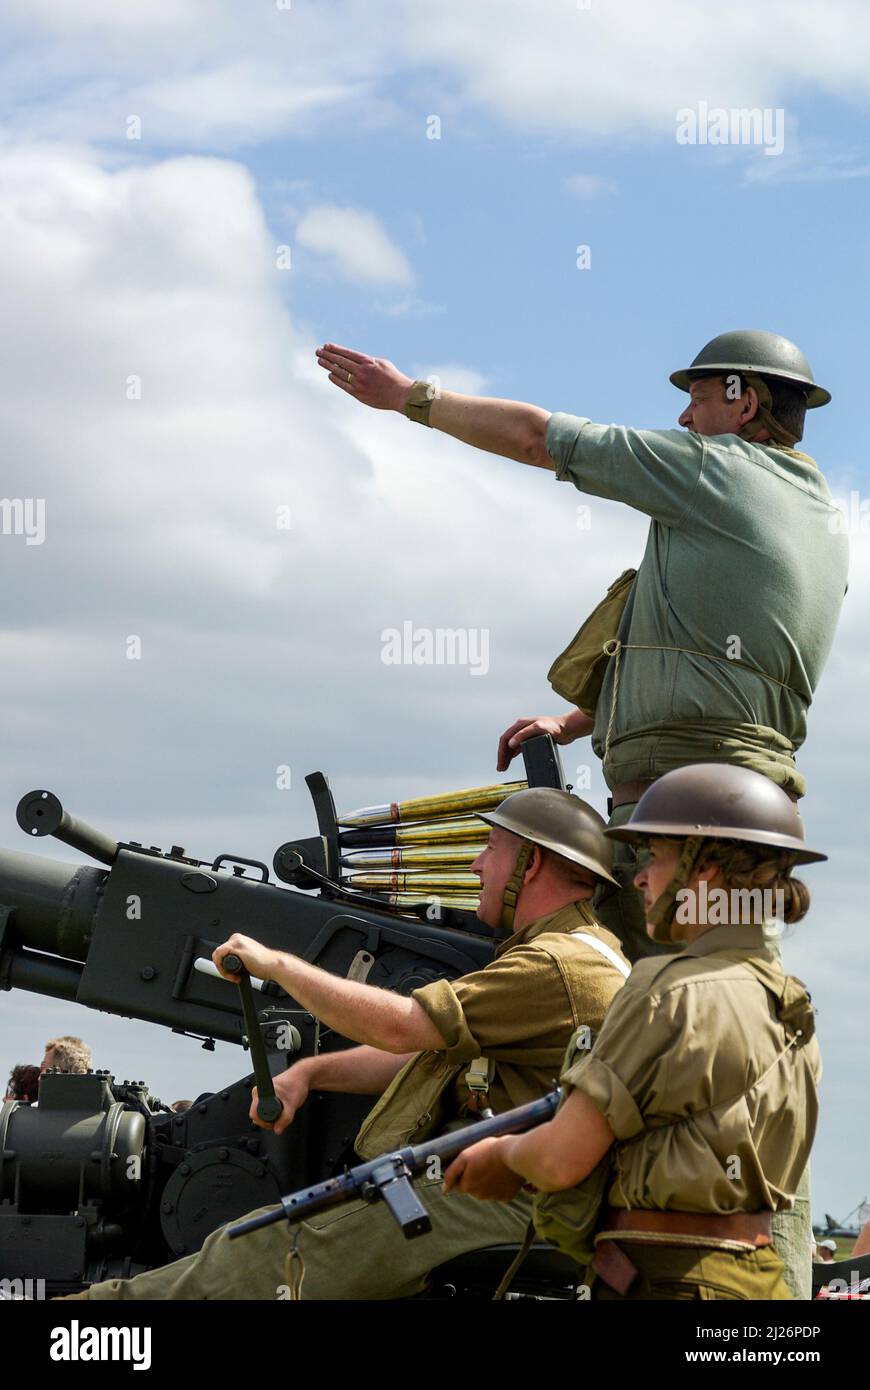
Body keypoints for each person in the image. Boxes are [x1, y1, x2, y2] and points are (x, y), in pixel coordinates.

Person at [314, 329, 847, 965]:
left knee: (640, 1011)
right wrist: (576, 721)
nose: (683, 417)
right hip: (753, 813)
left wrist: (411, 397)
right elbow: (725, 664)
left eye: (699, 399)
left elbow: (539, 438)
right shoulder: (822, 516)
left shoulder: (716, 471)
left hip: (676, 812)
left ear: (744, 402)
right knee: (723, 992)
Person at [58, 788, 631, 1301]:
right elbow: (424, 1052)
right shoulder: (577, 950)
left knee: (262, 1253)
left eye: (493, 850)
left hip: (514, 1199)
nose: (478, 864)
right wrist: (313, 1074)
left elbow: (406, 1025)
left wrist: (280, 966)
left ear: (530, 864)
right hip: (524, 1189)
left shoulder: (556, 964)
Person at [444, 764, 824, 1301]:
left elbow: (559, 1158)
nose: (640, 877)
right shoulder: (792, 1006)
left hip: (671, 1285)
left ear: (706, 871)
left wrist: (502, 1156)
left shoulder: (665, 989)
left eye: (656, 856)